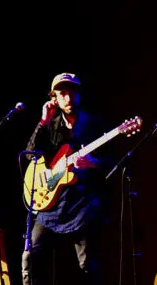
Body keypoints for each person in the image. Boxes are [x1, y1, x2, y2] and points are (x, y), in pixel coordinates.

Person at [21, 73, 114, 285]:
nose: (68, 98)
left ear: (79, 94)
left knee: (88, 266)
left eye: (72, 92)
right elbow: (29, 155)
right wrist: (43, 121)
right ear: (54, 97)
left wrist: (93, 163)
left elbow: (115, 161)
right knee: (30, 256)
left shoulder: (94, 124)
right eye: (62, 93)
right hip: (52, 205)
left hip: (82, 205)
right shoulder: (50, 125)